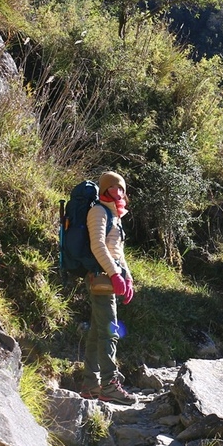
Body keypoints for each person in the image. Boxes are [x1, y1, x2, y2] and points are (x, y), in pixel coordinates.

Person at [80, 171, 137, 405]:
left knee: (97, 331)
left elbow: (118, 252)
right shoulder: (98, 211)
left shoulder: (115, 215)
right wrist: (114, 274)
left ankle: (91, 384)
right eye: (114, 188)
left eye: (122, 188)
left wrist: (128, 278)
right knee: (110, 331)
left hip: (110, 278)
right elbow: (97, 245)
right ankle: (109, 385)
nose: (119, 192)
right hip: (100, 277)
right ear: (104, 189)